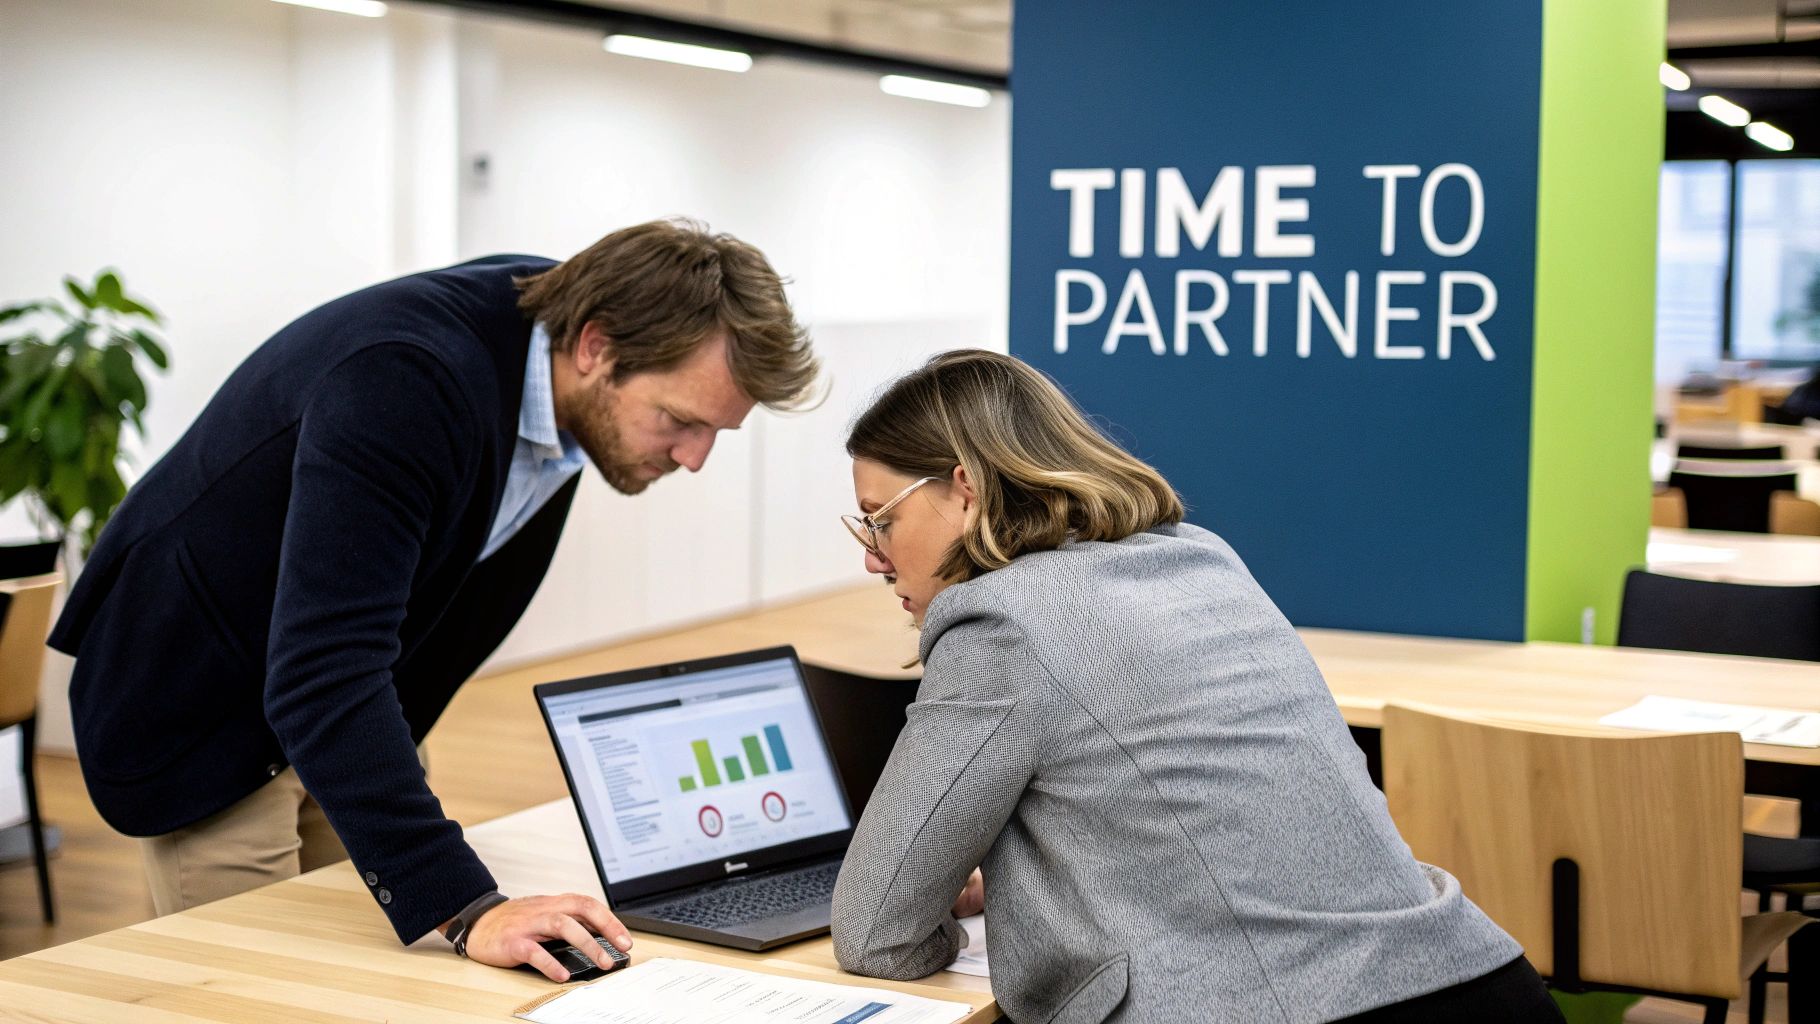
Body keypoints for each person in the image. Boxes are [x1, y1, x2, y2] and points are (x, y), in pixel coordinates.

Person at [48, 220, 818, 980]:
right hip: (203, 695)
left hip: (332, 699)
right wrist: (468, 905)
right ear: (595, 348)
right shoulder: (409, 379)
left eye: (716, 432)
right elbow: (324, 669)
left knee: (386, 975)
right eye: (681, 422)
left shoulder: (563, 355)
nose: (694, 459)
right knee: (262, 985)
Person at [828, 350, 1561, 1022]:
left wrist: (944, 931)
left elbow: (875, 932)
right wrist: (1026, 890)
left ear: (966, 489)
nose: (874, 558)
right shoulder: (1200, 559)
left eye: (879, 522)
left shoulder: (997, 622)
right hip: (1479, 983)